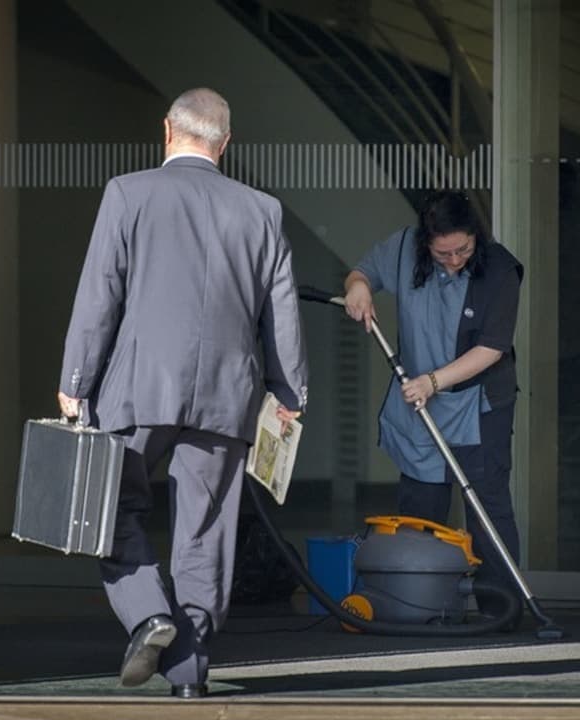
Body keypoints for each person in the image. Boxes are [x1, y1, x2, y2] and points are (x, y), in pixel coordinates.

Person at [56, 87, 308, 698]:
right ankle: (190, 675)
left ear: (167, 129)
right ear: (227, 143)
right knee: (207, 531)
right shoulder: (262, 210)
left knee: (111, 508)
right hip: (227, 395)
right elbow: (282, 314)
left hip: (140, 390)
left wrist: (74, 382)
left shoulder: (128, 193)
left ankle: (149, 614)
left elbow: (100, 296)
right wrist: (288, 390)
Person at [343, 190, 523, 625]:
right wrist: (359, 290)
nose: (455, 259)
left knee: (486, 512)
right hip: (418, 410)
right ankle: (421, 610)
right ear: (426, 242)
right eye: (443, 252)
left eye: (463, 249)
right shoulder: (404, 249)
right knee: (419, 514)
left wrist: (433, 382)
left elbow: (492, 348)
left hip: (477, 407)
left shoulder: (499, 268)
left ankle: (505, 615)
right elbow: (361, 272)